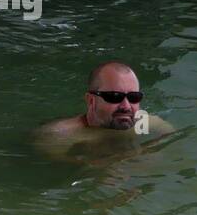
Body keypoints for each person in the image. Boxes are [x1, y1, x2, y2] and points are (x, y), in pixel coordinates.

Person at [36, 61, 174, 151]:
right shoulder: (60, 135)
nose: (126, 106)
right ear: (91, 100)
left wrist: (149, 153)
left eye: (133, 97)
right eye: (114, 97)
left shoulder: (142, 122)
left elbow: (171, 135)